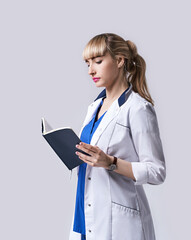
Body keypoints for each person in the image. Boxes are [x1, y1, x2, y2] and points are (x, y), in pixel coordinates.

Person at [69, 33, 166, 240]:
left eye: (98, 61)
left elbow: (157, 171)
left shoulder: (138, 109)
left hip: (118, 223)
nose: (90, 70)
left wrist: (110, 162)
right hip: (85, 216)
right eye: (87, 63)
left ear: (120, 60)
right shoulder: (94, 107)